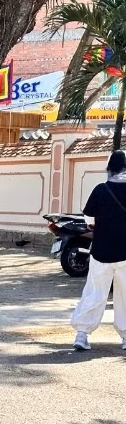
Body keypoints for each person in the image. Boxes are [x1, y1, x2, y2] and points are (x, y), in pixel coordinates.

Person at [71, 150, 126, 351]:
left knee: (94, 293)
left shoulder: (100, 190)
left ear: (109, 168)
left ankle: (82, 334)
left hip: (102, 252)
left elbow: (89, 221)